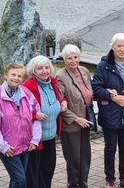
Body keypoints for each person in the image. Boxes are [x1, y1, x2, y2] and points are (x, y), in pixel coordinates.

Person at [92, 33, 124, 188]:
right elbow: (96, 88)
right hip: (110, 114)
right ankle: (110, 179)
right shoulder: (103, 65)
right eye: (119, 46)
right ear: (112, 47)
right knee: (110, 148)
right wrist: (112, 96)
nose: (122, 49)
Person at [23, 55, 66, 188]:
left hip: (50, 136)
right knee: (33, 173)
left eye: (47, 67)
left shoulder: (53, 82)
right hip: (35, 140)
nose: (44, 71)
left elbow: (60, 98)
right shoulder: (27, 86)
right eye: (40, 68)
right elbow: (19, 111)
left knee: (48, 170)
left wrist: (64, 102)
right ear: (33, 71)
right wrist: (34, 114)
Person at [56, 44, 94, 188]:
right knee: (73, 160)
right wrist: (76, 118)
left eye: (76, 57)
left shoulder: (83, 71)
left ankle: (83, 184)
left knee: (85, 158)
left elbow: (90, 93)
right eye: (69, 58)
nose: (73, 61)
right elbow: (59, 103)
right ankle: (73, 185)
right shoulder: (60, 76)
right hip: (72, 124)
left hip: (86, 121)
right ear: (64, 59)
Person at [0, 62, 41, 188]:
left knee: (16, 179)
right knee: (20, 180)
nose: (16, 78)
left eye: (19, 76)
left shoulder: (27, 94)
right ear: (5, 75)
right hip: (9, 148)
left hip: (25, 145)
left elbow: (37, 116)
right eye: (13, 74)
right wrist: (3, 146)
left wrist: (34, 140)